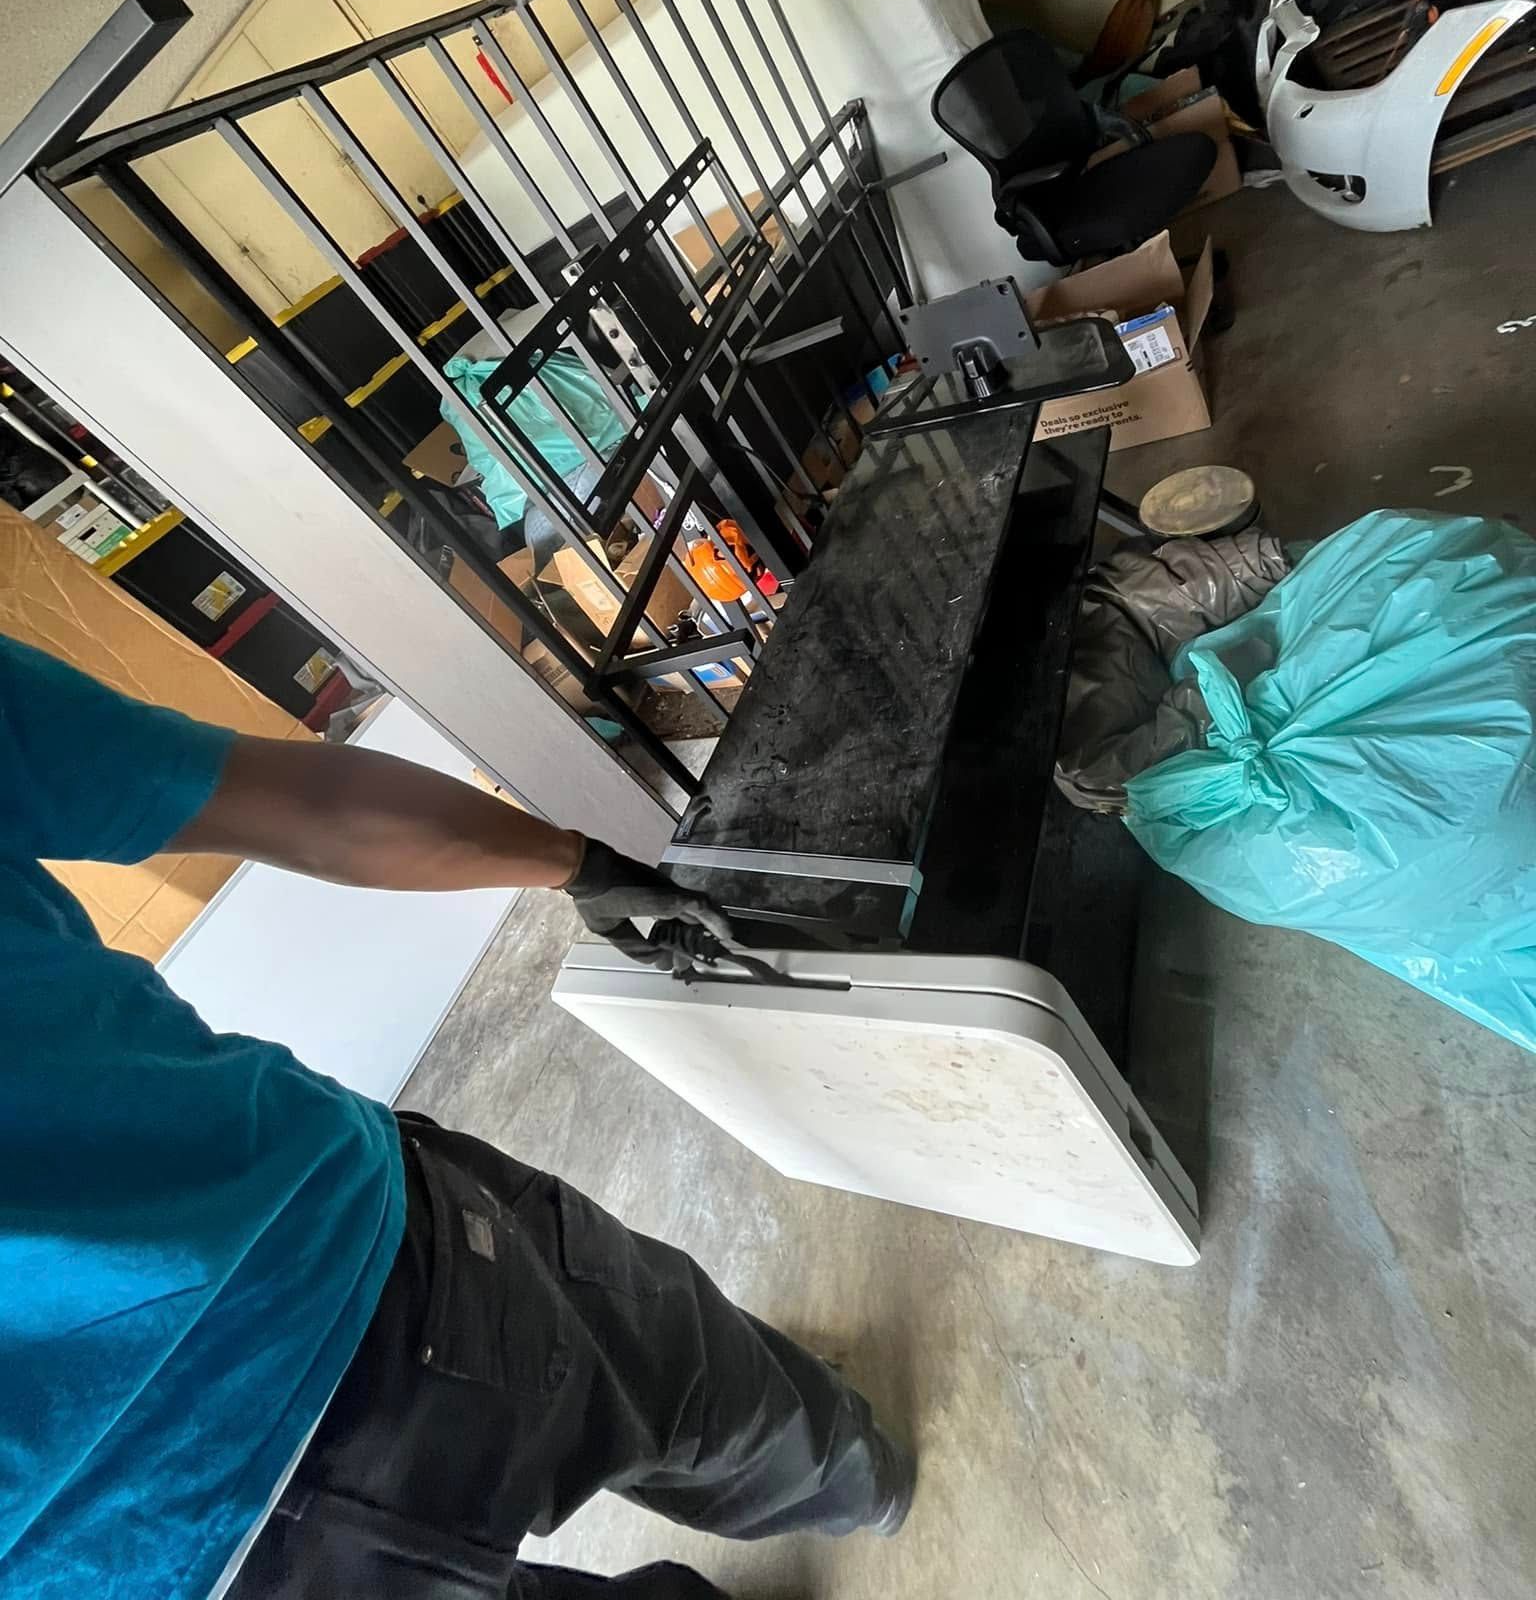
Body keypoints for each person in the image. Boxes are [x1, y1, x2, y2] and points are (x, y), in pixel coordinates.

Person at [0, 631, 913, 1599]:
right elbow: (308, 807)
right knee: (680, 1380)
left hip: (136, 1566)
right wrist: (583, 866)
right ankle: (856, 1477)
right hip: (351, 1261)